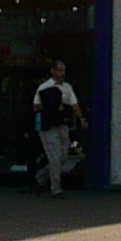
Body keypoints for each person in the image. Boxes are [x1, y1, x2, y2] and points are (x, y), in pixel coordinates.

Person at [31, 59, 80, 198]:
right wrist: (50, 104)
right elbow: (36, 106)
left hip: (62, 124)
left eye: (63, 70)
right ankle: (56, 188)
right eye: (59, 70)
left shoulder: (67, 87)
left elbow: (75, 104)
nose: (61, 73)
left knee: (64, 153)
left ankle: (41, 177)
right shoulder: (44, 87)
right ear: (52, 71)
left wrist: (81, 119)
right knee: (55, 156)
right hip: (48, 125)